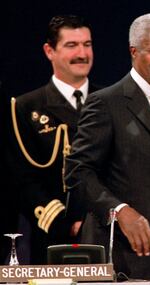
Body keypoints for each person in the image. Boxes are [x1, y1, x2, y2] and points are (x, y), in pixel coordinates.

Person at [65, 13, 150, 280]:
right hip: (122, 258)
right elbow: (78, 173)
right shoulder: (105, 103)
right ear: (134, 51)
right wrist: (119, 211)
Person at [10, 15, 98, 264]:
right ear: (49, 51)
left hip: (107, 233)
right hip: (53, 239)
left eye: (87, 44)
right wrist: (65, 223)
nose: (82, 53)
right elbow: (21, 180)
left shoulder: (110, 101)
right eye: (72, 45)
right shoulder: (26, 107)